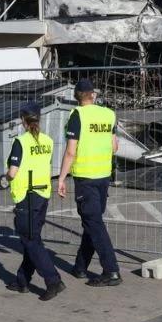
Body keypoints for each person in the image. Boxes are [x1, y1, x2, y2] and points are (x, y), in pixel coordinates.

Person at [56, 78, 122, 287]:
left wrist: (61, 178)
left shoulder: (77, 115)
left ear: (76, 97)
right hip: (103, 177)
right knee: (91, 222)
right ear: (93, 95)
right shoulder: (108, 114)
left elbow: (70, 151)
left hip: (85, 178)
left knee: (94, 223)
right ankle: (80, 267)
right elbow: (115, 147)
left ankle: (111, 271)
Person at [3, 102, 66, 301]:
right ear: (39, 118)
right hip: (42, 194)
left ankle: (53, 280)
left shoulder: (20, 142)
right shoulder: (47, 141)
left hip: (27, 196)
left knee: (31, 241)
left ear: (23, 120)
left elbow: (12, 172)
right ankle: (22, 281)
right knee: (33, 239)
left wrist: (5, 176)